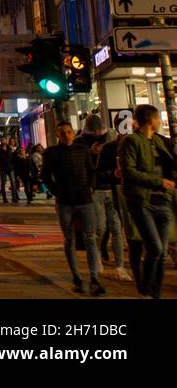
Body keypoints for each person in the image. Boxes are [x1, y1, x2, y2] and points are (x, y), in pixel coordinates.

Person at [119, 104, 176, 299]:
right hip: (143, 201)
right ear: (151, 120)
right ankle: (145, 290)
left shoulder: (160, 142)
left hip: (163, 201)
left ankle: (154, 293)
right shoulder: (132, 141)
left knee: (161, 254)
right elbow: (129, 171)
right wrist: (158, 181)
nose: (159, 122)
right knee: (155, 248)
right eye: (158, 118)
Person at [43, 121, 105, 295]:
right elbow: (45, 177)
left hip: (85, 200)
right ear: (57, 135)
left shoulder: (82, 150)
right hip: (65, 202)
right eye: (62, 133)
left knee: (90, 238)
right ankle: (76, 277)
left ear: (73, 132)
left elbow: (91, 170)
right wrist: (58, 192)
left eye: (69, 132)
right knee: (69, 239)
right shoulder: (51, 153)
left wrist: (90, 187)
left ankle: (94, 278)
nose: (66, 135)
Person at [83, 116, 128, 281]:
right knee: (100, 227)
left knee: (116, 228)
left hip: (113, 190)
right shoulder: (83, 143)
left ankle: (120, 266)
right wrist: (91, 153)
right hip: (97, 190)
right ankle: (97, 256)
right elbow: (90, 168)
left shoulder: (112, 143)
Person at [0, 138, 17, 203]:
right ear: (0, 141)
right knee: (3, 183)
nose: (3, 141)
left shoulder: (9, 147)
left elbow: (13, 156)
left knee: (13, 183)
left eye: (4, 140)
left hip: (10, 167)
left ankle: (14, 198)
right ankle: (4, 198)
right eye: (2, 140)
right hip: (2, 168)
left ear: (6, 141)